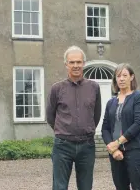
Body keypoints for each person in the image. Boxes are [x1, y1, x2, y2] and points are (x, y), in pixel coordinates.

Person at [46, 45, 102, 190]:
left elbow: (96, 115)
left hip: (87, 146)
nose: (76, 65)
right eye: (72, 62)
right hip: (63, 146)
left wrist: (85, 129)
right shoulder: (57, 89)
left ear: (83, 63)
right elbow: (50, 116)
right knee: (59, 186)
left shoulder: (94, 87)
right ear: (66, 64)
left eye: (78, 62)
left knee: (85, 186)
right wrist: (64, 130)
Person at [101, 63, 140, 190]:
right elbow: (105, 128)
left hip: (135, 150)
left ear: (131, 77)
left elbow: (138, 124)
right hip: (115, 153)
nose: (121, 79)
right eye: (118, 76)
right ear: (115, 79)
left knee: (138, 187)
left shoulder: (138, 98)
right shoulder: (111, 102)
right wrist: (113, 149)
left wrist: (118, 142)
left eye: (124, 75)